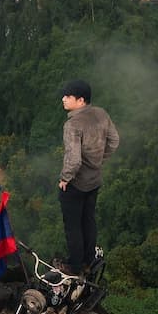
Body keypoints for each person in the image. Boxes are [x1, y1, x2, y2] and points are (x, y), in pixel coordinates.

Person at [57, 79, 119, 275]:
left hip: (76, 184)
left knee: (73, 225)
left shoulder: (73, 124)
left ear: (81, 100)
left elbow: (73, 160)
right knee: (88, 220)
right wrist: (98, 161)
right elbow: (114, 141)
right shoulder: (101, 113)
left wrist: (65, 179)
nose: (63, 99)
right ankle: (88, 260)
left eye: (68, 96)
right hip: (94, 181)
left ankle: (75, 266)